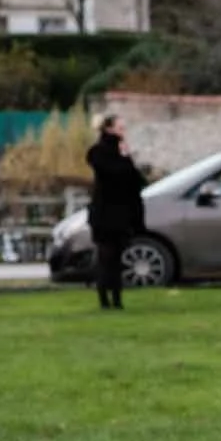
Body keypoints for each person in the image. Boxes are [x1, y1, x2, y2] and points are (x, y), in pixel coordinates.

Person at [85, 116, 146, 309]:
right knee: (106, 257)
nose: (124, 132)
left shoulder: (122, 153)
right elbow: (112, 175)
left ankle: (117, 299)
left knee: (118, 258)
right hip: (104, 214)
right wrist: (124, 159)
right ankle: (104, 299)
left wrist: (127, 157)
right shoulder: (97, 152)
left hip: (122, 213)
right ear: (110, 129)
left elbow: (136, 180)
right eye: (120, 128)